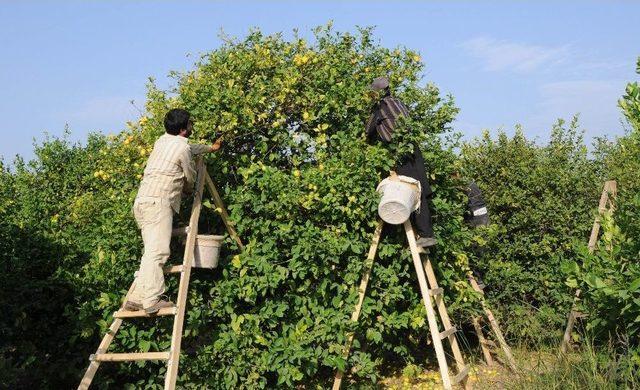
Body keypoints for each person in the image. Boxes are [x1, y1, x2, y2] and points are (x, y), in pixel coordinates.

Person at [124, 108, 222, 314]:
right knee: (158, 252)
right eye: (190, 124)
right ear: (184, 129)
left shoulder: (161, 142)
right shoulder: (181, 149)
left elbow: (188, 149)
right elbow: (190, 175)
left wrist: (209, 148)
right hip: (159, 203)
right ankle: (152, 300)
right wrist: (188, 190)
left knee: (150, 251)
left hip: (142, 202)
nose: (192, 126)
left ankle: (136, 297)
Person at [365, 76, 437, 247]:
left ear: (376, 94)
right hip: (414, 149)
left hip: (401, 151)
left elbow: (368, 131)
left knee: (410, 190)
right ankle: (426, 234)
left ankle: (425, 235)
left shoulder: (380, 108)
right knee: (420, 189)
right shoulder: (399, 103)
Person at [463, 180, 490, 289]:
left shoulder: (466, 185)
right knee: (479, 248)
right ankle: (478, 277)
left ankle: (478, 279)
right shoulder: (469, 183)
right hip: (480, 216)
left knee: (477, 248)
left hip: (478, 218)